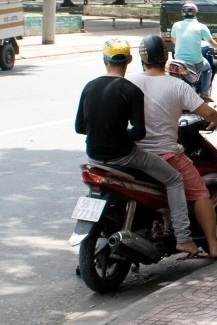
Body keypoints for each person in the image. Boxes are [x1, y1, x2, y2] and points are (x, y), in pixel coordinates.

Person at [75, 39, 200, 258]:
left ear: (104, 60)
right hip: (124, 156)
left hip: (94, 158)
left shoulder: (89, 86)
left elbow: (79, 127)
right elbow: (139, 133)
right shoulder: (131, 90)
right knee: (174, 180)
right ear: (130, 60)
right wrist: (122, 135)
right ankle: (184, 238)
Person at [128, 35, 217, 260]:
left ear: (141, 58)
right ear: (166, 58)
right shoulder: (177, 85)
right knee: (199, 193)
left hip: (133, 154)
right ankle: (212, 246)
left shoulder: (130, 82)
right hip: (165, 154)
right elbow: (209, 113)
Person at [171, 3, 217, 102]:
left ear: (182, 13)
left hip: (178, 60)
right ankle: (205, 94)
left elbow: (174, 40)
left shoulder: (176, 25)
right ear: (196, 13)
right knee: (207, 69)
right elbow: (211, 42)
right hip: (196, 61)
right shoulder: (201, 27)